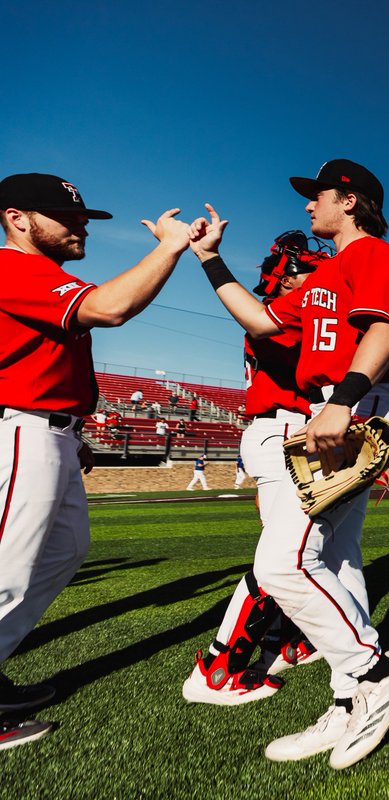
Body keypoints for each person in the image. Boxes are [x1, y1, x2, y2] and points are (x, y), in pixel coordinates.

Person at [187, 159, 389, 769]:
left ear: (349, 201)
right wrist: (209, 258)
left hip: (355, 404)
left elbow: (386, 333)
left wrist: (341, 403)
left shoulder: (375, 256)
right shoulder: (330, 272)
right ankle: (348, 699)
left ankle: (375, 672)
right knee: (334, 560)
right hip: (338, 407)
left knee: (282, 563)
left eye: (317, 196)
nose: (308, 205)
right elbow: (262, 319)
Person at [0, 171, 191, 750]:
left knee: (65, 551)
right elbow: (111, 308)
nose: (81, 224)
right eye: (66, 215)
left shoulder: (44, 275)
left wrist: (70, 431)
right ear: (18, 219)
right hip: (20, 429)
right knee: (6, 570)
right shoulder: (13, 267)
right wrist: (170, 246)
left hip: (49, 431)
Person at [183, 231, 327, 709]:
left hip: (285, 432)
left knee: (300, 552)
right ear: (286, 276)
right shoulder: (281, 312)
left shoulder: (290, 307)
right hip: (283, 431)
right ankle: (217, 670)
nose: (318, 277)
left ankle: (282, 642)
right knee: (281, 559)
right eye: (308, 269)